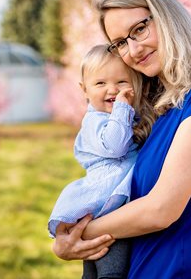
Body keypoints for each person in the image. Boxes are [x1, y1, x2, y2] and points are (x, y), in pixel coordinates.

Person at [51, 0, 191, 278]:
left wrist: (75, 236)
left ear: (166, 17)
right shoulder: (157, 109)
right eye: (120, 43)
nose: (134, 49)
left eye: (139, 29)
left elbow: (161, 209)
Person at [48, 44, 150, 278]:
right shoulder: (96, 121)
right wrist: (123, 108)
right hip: (105, 208)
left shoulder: (118, 116)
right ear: (84, 90)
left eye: (122, 82)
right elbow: (115, 147)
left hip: (111, 208)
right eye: (100, 83)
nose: (112, 90)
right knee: (112, 269)